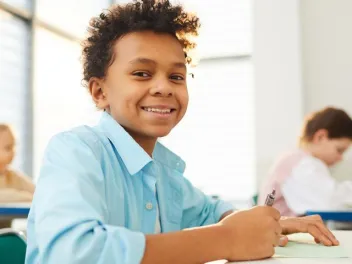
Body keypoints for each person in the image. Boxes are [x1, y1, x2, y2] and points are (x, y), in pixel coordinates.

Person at [25, 1, 338, 263]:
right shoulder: (76, 151)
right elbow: (71, 253)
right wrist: (227, 239)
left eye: (176, 76)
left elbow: (210, 211)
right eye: (142, 73)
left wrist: (272, 224)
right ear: (99, 92)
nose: (163, 87)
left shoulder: (163, 172)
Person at [259, 107, 352, 217]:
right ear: (320, 137)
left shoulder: (297, 159)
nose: (340, 158)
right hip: (281, 232)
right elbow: (327, 202)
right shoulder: (300, 164)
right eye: (339, 150)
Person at [0, 124, 35, 203]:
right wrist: (28, 197)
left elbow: (40, 193)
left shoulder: (14, 177)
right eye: (8, 147)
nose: (13, 152)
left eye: (14, 146)